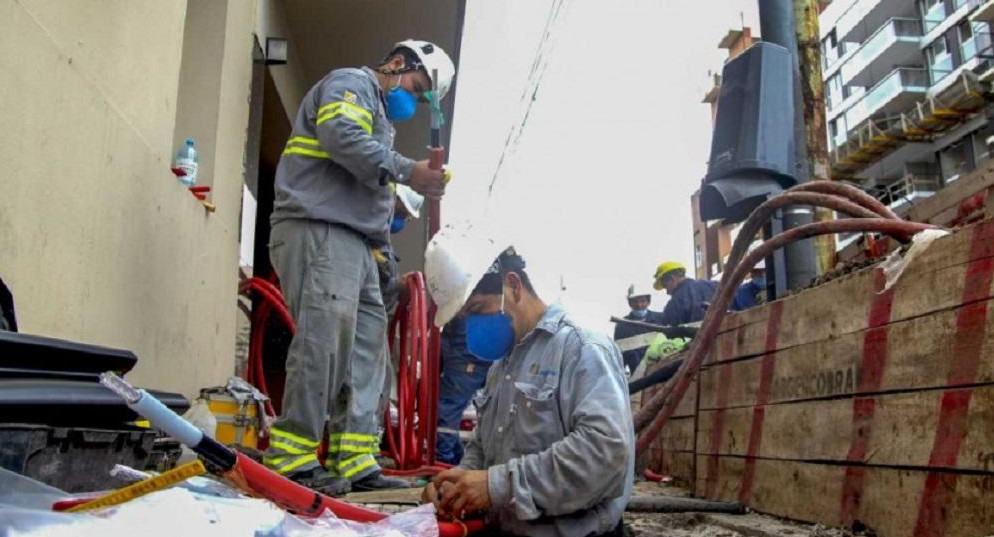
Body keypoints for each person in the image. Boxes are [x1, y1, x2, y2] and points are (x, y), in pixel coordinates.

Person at [264, 39, 455, 495]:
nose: (415, 98)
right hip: (319, 228)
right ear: (396, 63)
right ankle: (291, 456)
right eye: (417, 85)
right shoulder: (352, 84)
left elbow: (370, 198)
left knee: (369, 353)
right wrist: (409, 171)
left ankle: (354, 457)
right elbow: (341, 139)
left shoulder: (382, 122)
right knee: (323, 344)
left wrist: (385, 261)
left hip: (357, 244)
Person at [421, 230, 633, 537]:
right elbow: (482, 447)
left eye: (478, 311)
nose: (472, 327)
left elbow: (604, 452)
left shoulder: (581, 347)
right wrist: (459, 481)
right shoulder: (500, 366)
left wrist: (495, 486)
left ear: (514, 286)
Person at [434, 317, 492, 465]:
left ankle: (443, 459)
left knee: (449, 406)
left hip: (466, 348)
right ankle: (454, 457)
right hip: (469, 343)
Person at [612, 284, 666, 375]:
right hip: (637, 376)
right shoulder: (622, 325)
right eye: (635, 301)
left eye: (642, 301)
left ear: (648, 302)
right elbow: (620, 354)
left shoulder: (661, 319)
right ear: (630, 303)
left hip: (662, 371)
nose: (639, 304)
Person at [652, 261, 718, 327]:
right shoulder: (715, 285)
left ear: (672, 279)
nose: (667, 292)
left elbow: (670, 333)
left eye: (666, 286)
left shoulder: (674, 304)